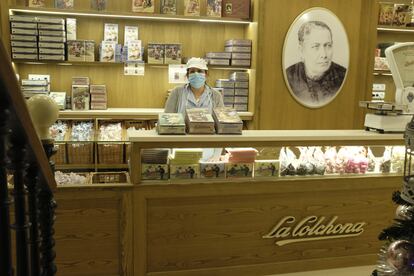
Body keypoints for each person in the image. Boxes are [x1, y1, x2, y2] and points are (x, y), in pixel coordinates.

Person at [286, 21, 346, 107]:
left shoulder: (342, 76)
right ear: (301, 51)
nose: (324, 55)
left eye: (328, 45)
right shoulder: (289, 77)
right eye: (315, 47)